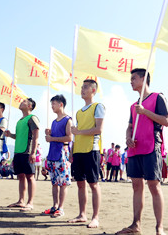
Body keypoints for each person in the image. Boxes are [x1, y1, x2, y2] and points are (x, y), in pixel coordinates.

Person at [118, 68, 168, 235]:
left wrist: (145, 111)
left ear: (144, 79)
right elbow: (130, 126)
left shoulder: (157, 97)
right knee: (136, 185)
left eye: (133, 78)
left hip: (151, 146)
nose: (130, 81)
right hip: (135, 149)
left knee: (154, 185)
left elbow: (166, 121)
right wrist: (127, 138)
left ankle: (159, 227)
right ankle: (135, 224)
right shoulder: (133, 105)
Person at [67, 79, 105, 229]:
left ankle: (95, 217)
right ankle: (82, 214)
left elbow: (98, 129)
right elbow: (76, 135)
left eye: (86, 87)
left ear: (93, 90)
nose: (82, 90)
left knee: (93, 184)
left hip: (92, 150)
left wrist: (79, 132)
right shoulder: (78, 112)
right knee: (80, 184)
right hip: (78, 151)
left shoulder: (98, 106)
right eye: (82, 87)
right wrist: (72, 151)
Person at [6, 98, 40, 211]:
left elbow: (36, 135)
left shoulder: (32, 118)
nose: (21, 102)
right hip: (18, 151)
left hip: (27, 152)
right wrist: (10, 135)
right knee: (20, 176)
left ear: (30, 106)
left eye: (24, 102)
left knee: (30, 177)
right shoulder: (20, 120)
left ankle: (30, 202)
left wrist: (33, 152)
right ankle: (21, 200)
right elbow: (19, 136)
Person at [42, 95, 72, 218]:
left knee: (63, 183)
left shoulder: (68, 120)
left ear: (61, 104)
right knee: (54, 182)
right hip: (52, 154)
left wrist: (52, 138)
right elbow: (52, 137)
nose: (52, 106)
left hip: (62, 154)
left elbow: (69, 138)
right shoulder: (54, 122)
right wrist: (49, 133)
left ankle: (61, 207)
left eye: (54, 104)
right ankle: (54, 206)